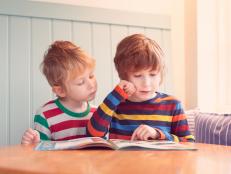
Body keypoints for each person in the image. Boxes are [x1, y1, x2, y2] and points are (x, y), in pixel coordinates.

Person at [87, 34, 195, 142]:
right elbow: (93, 135)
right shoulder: (114, 103)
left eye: (153, 74)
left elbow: (189, 143)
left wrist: (158, 135)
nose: (146, 83)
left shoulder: (173, 105)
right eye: (138, 76)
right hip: (122, 159)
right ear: (124, 76)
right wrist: (115, 96)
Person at [21, 41, 97, 144]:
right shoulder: (45, 115)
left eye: (91, 76)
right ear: (61, 91)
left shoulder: (97, 113)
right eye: (80, 82)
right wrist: (31, 145)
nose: (91, 85)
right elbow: (39, 155)